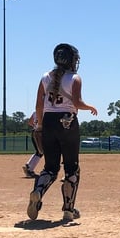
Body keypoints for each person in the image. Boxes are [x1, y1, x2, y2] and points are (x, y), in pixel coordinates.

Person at [26, 43, 98, 222]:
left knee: (50, 167)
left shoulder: (45, 77)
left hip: (48, 121)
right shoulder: (74, 78)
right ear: (71, 60)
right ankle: (68, 209)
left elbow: (38, 106)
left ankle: (38, 191)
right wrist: (90, 107)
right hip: (68, 121)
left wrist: (40, 125)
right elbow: (77, 102)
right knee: (72, 167)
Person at [22, 112, 43, 178]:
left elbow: (30, 122)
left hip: (34, 132)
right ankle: (29, 168)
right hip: (41, 133)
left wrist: (35, 126)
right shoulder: (46, 111)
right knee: (40, 152)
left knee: (39, 152)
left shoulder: (35, 112)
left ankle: (29, 167)